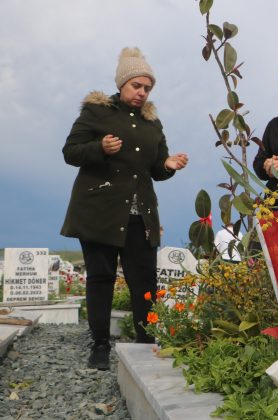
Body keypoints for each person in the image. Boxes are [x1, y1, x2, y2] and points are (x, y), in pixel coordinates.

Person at [60, 47, 188, 370]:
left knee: (144, 279)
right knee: (101, 277)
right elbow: (70, 151)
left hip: (139, 215)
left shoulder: (153, 124)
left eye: (147, 88)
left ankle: (147, 341)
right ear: (122, 83)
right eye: (136, 86)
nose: (142, 93)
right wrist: (99, 148)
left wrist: (168, 164)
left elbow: (157, 168)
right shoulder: (96, 113)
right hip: (99, 211)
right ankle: (100, 344)